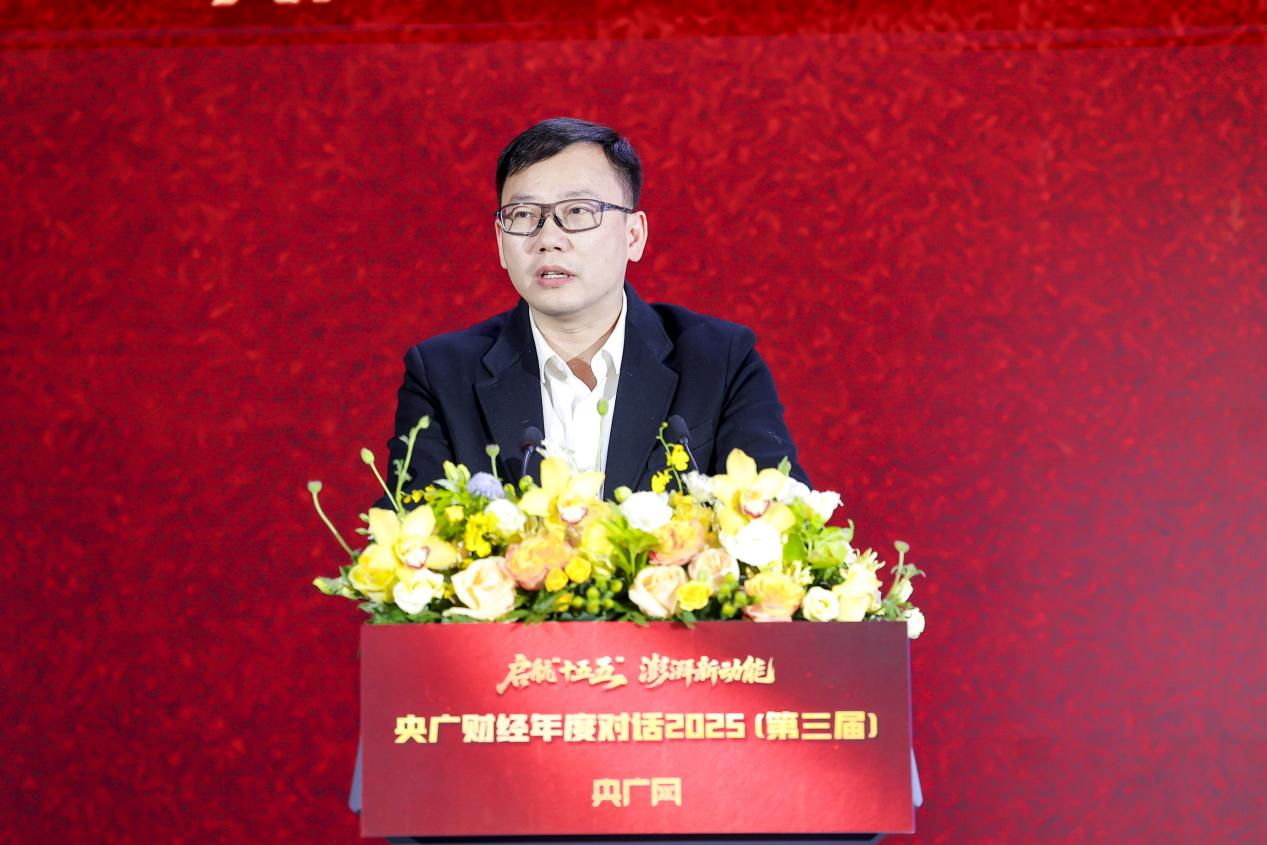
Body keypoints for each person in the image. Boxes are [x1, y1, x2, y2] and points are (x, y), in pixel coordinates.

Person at [383, 116, 808, 500]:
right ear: (500, 242)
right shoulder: (442, 375)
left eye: (577, 211)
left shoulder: (720, 362)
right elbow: (410, 533)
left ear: (634, 235)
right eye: (524, 215)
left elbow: (785, 520)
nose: (548, 239)